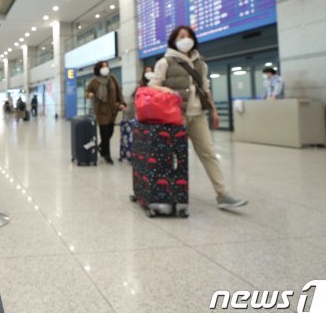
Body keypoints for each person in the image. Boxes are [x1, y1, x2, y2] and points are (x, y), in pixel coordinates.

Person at [149, 26, 248, 209]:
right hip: (176, 117)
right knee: (171, 156)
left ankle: (222, 193)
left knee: (208, 153)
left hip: (198, 116)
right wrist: (166, 89)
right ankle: (166, 195)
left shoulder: (201, 63)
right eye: (181, 37)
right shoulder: (165, 62)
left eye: (188, 36)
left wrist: (214, 110)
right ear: (174, 40)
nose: (185, 39)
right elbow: (153, 86)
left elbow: (205, 88)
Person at [86, 61, 126, 164]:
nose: (106, 68)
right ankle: (107, 155)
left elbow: (119, 92)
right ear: (98, 69)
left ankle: (100, 147)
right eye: (103, 67)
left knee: (111, 131)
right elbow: (86, 92)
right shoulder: (94, 82)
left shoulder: (112, 79)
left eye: (107, 66)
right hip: (101, 111)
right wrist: (89, 94)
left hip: (112, 110)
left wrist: (122, 103)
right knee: (104, 133)